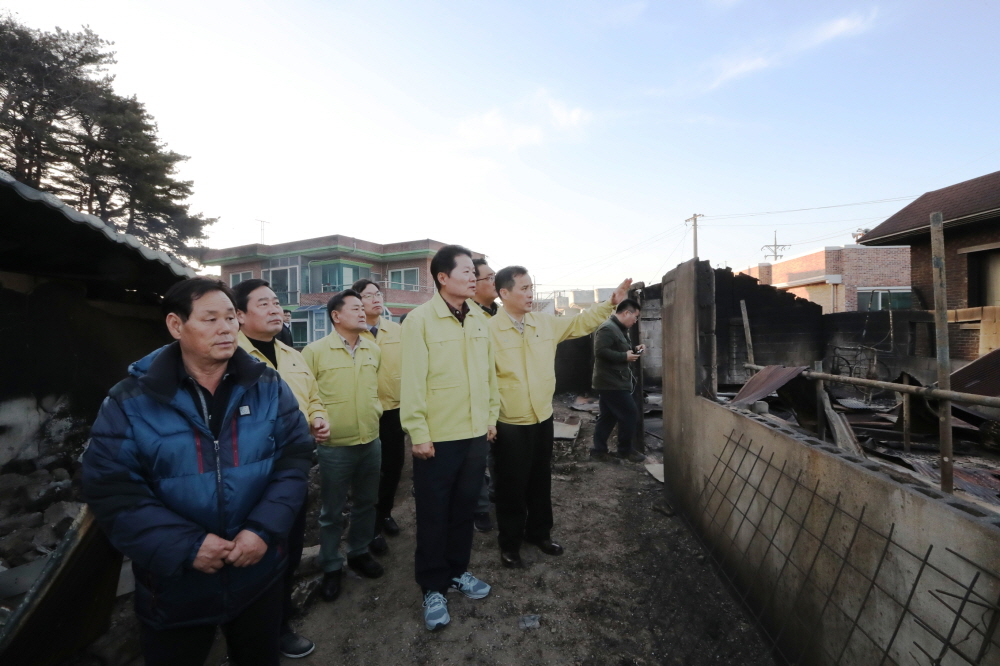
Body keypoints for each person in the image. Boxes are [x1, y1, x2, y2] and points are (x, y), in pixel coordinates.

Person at [82, 278, 313, 666]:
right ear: (176, 325)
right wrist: (187, 546)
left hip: (258, 574)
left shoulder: (267, 385)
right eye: (210, 319)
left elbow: (294, 459)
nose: (226, 329)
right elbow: (112, 489)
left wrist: (263, 529)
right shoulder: (130, 401)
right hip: (174, 587)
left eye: (230, 318)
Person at [490, 267, 632, 568]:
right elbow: (484, 379)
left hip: (542, 416)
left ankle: (539, 533)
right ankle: (510, 543)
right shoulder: (489, 331)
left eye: (532, 287)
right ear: (504, 294)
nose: (530, 294)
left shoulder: (544, 323)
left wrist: (610, 304)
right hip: (509, 421)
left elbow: (580, 323)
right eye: (524, 288)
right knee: (511, 486)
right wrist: (490, 419)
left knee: (540, 481)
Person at [400, 244, 499, 631]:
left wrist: (491, 418)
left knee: (463, 510)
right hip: (437, 439)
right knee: (433, 515)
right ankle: (432, 586)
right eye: (466, 272)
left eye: (475, 273)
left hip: (475, 433)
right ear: (442, 278)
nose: (473, 278)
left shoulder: (479, 319)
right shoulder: (420, 321)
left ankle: (458, 572)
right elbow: (413, 383)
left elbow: (489, 373)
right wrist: (419, 433)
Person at [233, 278, 329, 659]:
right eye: (264, 304)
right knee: (256, 554)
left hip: (292, 471)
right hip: (248, 478)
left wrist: (318, 418)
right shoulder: (229, 357)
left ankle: (279, 625)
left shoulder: (292, 354)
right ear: (239, 316)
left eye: (276, 303)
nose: (275, 309)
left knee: (288, 550)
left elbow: (314, 396)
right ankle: (253, 633)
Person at [302, 289, 385, 604]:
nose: (363, 312)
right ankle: (331, 565)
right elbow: (309, 395)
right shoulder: (314, 352)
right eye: (355, 308)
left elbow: (372, 390)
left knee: (367, 503)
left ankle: (359, 552)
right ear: (336, 316)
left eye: (362, 308)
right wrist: (315, 420)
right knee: (331, 511)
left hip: (370, 441)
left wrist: (374, 413)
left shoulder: (372, 351)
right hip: (335, 446)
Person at [352, 278, 405, 556]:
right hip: (365, 411)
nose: (376, 298)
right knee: (370, 471)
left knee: (394, 467)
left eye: (378, 293)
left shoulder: (396, 330)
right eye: (368, 295)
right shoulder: (353, 334)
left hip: (394, 409)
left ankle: (384, 513)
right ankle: (369, 526)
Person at [591, 298, 646, 463]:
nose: (635, 321)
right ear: (626, 313)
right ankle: (625, 450)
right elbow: (600, 352)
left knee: (608, 417)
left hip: (614, 380)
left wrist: (635, 350)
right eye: (635, 317)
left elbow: (619, 349)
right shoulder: (608, 328)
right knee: (630, 413)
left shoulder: (619, 329)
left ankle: (598, 450)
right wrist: (624, 356)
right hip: (610, 382)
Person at [469, 258, 497, 533]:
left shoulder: (500, 314)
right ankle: (479, 509)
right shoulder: (468, 318)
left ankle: (495, 496)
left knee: (500, 456)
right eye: (489, 277)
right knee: (478, 457)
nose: (495, 281)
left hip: (505, 399)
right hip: (479, 398)